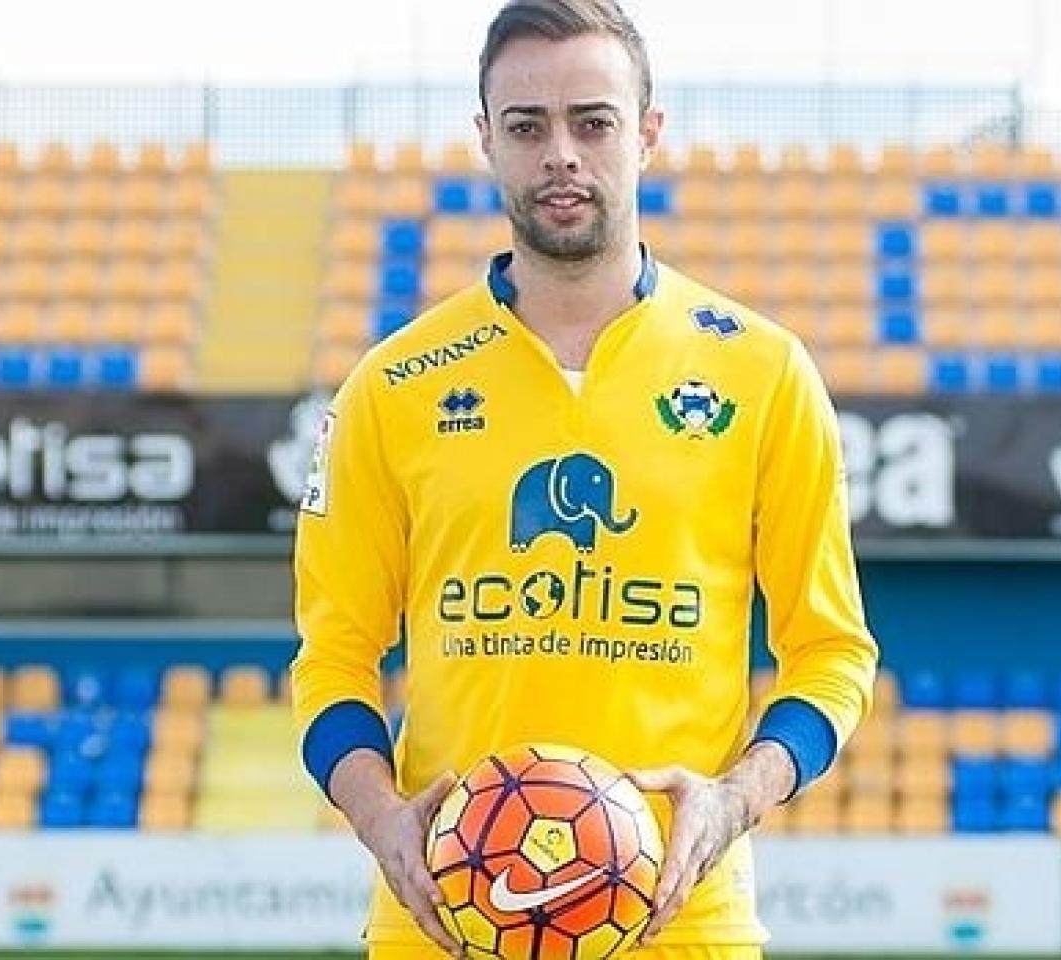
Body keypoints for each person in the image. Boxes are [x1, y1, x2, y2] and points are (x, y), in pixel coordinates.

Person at [289, 1, 880, 958]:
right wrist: (381, 818)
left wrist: (736, 799)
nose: (561, 153)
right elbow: (332, 656)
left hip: (681, 922)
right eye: (527, 127)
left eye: (592, 122)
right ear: (486, 142)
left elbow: (833, 651)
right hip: (446, 917)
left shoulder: (763, 372)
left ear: (648, 133)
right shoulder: (393, 386)